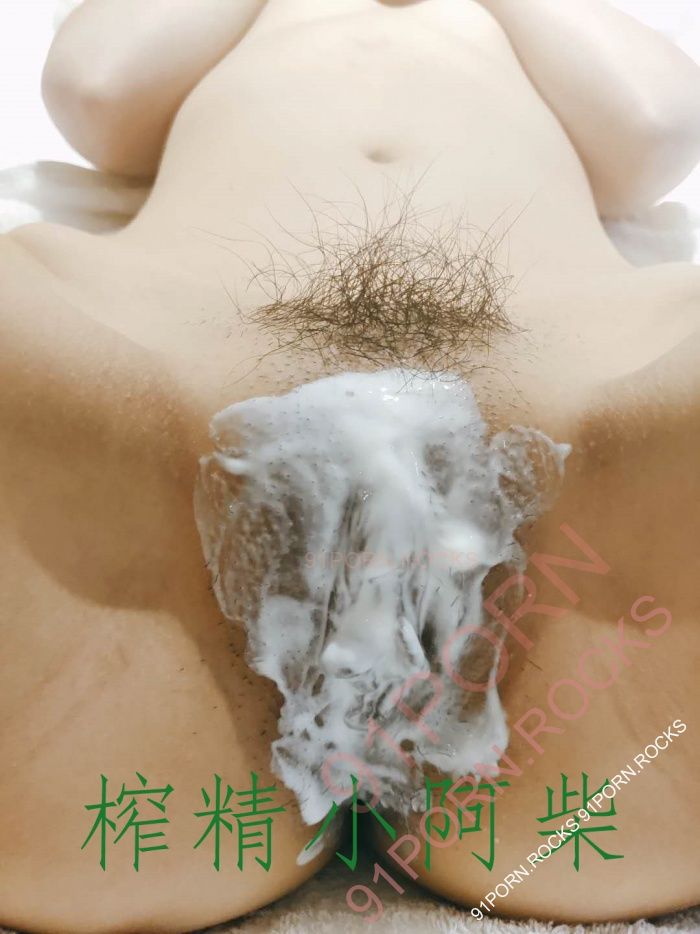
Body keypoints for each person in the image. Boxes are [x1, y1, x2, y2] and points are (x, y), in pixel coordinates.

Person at [1, 0, 699, 930]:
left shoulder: (511, 21)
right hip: (151, 402)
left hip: (594, 420)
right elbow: (98, 90)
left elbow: (653, 131)